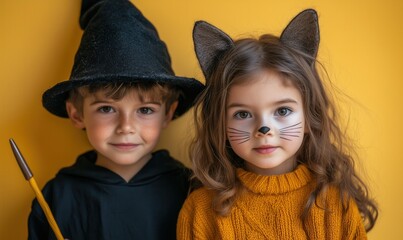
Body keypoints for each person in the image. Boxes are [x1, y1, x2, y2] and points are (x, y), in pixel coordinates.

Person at [177, 9, 378, 239]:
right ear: (220, 124)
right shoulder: (201, 211)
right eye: (242, 114)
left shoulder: (335, 205)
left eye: (282, 110)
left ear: (308, 118)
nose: (264, 129)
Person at [28, 0, 204, 239]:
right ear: (77, 114)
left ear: (168, 113)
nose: (126, 127)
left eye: (145, 110)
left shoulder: (191, 190)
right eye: (106, 109)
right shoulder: (55, 198)